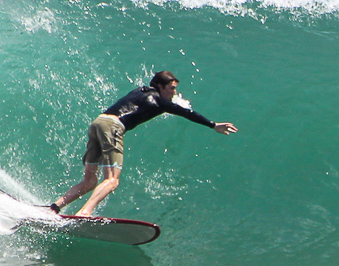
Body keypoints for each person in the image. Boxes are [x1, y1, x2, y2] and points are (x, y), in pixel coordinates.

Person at [50, 70, 237, 216]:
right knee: (112, 180)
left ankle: (55, 207)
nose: (174, 93)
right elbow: (186, 113)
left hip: (98, 122)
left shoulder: (140, 91)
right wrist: (213, 125)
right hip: (113, 127)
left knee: (90, 180)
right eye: (171, 88)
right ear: (160, 87)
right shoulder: (159, 101)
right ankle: (85, 212)